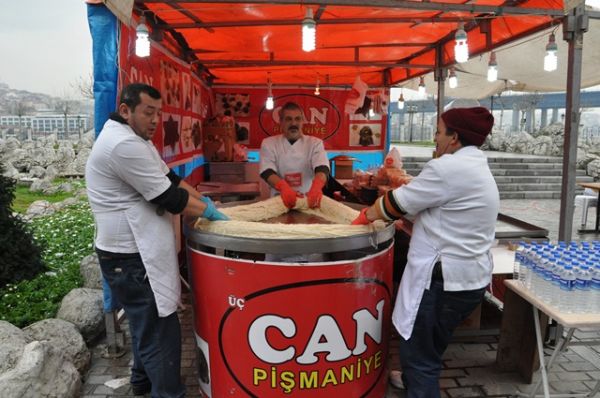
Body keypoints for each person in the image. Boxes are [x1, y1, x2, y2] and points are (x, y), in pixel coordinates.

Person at [86, 83, 228, 397]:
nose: (155, 120)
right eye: (148, 112)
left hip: (131, 255)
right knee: (160, 333)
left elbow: (171, 178)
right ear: (125, 110)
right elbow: (168, 197)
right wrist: (215, 216)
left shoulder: (137, 139)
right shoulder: (122, 145)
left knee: (144, 325)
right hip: (130, 257)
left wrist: (204, 201)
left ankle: (140, 383)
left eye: (158, 113)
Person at [352, 106, 499, 397]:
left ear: (454, 137)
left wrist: (363, 217)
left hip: (442, 282)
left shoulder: (447, 168)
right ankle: (412, 378)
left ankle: (418, 383)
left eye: (438, 131)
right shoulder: (475, 165)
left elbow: (396, 203)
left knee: (419, 358)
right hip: (469, 279)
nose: (434, 137)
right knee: (430, 345)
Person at [259, 101, 330, 209]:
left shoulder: (315, 143)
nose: (293, 123)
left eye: (297, 119)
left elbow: (322, 167)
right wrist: (284, 188)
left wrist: (317, 187)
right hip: (279, 202)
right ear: (281, 122)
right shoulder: (269, 143)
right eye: (288, 119)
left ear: (302, 121)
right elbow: (267, 171)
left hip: (308, 201)